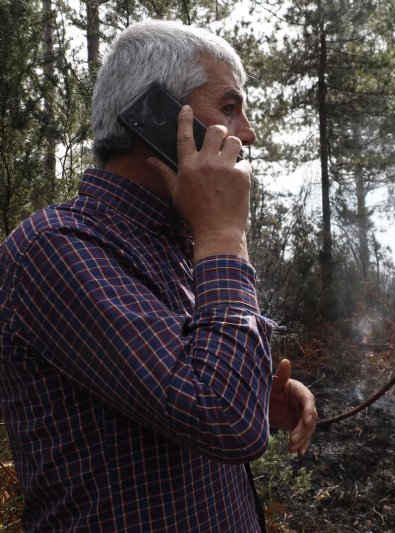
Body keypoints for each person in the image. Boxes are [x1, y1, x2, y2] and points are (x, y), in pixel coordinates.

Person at [0, 20, 317, 532]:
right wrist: (223, 236)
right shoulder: (56, 246)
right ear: (156, 115)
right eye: (230, 108)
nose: (249, 133)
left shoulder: (177, 244)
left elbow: (182, 385)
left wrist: (261, 398)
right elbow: (219, 415)